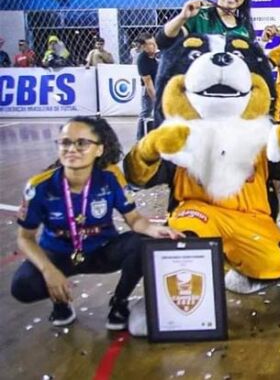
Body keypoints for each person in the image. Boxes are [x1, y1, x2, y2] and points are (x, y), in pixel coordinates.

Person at [11, 117, 182, 330]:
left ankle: (119, 303)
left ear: (99, 149)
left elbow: (134, 220)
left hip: (102, 251)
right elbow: (25, 238)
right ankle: (61, 302)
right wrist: (48, 270)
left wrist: (154, 229)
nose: (72, 149)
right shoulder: (39, 186)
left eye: (82, 143)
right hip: (58, 256)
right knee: (22, 286)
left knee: (144, 244)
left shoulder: (110, 177)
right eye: (65, 142)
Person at [136, 34, 159, 139]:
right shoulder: (142, 60)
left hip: (159, 86)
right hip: (149, 89)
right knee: (146, 113)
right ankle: (140, 139)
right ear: (143, 47)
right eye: (150, 44)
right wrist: (156, 100)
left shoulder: (157, 55)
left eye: (153, 43)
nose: (153, 46)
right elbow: (148, 83)